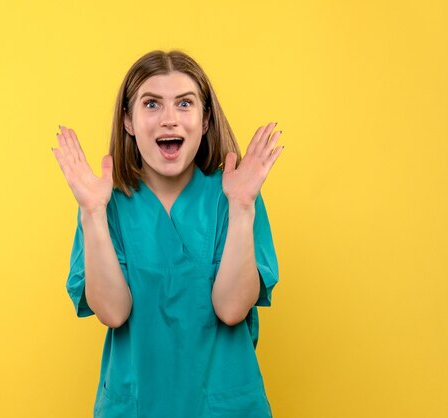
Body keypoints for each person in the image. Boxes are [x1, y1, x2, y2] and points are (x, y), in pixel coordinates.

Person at [52, 50, 283, 418]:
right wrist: (92, 214)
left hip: (224, 407)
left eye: (185, 104)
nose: (169, 120)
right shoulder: (105, 202)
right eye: (152, 104)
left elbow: (232, 308)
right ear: (128, 120)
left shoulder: (235, 194)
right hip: (137, 405)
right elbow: (112, 311)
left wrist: (241, 208)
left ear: (205, 120)